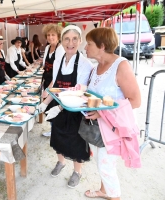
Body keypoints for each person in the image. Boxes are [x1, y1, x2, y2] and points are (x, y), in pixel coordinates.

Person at [83, 27, 141, 200]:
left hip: (114, 129)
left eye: (89, 44)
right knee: (100, 164)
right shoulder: (95, 68)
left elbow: (135, 101)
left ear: (102, 46)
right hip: (97, 128)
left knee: (106, 166)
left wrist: (102, 114)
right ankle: (104, 191)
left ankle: (114, 196)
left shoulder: (120, 66)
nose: (85, 47)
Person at [37, 25, 93, 188]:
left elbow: (78, 91)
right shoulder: (59, 61)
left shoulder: (85, 64)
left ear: (80, 41)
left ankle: (77, 172)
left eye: (74, 39)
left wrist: (59, 107)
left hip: (75, 109)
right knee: (58, 137)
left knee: (76, 142)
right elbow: (54, 83)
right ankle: (60, 163)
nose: (70, 43)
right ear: (62, 42)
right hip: (58, 105)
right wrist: (45, 103)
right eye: (67, 39)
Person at [40, 23, 63, 137]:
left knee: (54, 106)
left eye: (53, 35)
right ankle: (52, 129)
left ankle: (55, 131)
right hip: (47, 79)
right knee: (48, 107)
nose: (50, 37)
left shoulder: (60, 48)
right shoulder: (48, 47)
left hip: (55, 83)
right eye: (48, 35)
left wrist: (49, 88)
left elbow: (58, 73)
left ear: (58, 35)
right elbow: (45, 65)